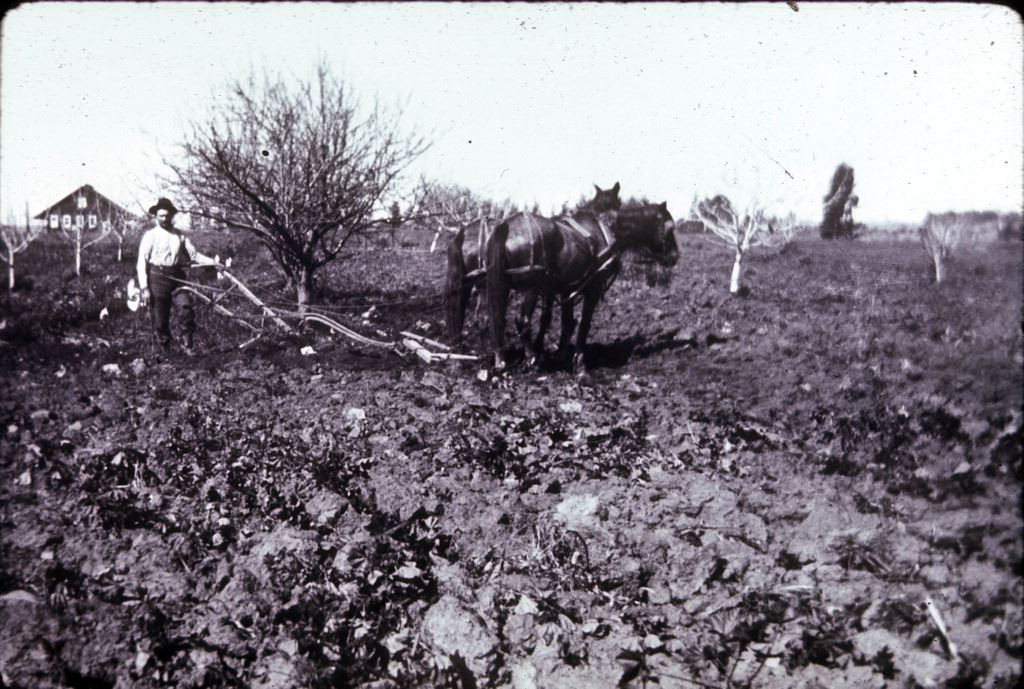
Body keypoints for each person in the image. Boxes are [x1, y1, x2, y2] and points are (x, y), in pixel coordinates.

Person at [136, 198, 216, 352]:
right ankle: (165, 351)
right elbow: (141, 263)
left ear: (171, 215)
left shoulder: (179, 236)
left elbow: (194, 255)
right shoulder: (150, 236)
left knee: (186, 310)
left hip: (177, 277)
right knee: (160, 319)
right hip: (157, 278)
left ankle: (188, 347)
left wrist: (213, 263)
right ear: (156, 216)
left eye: (167, 215)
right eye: (161, 216)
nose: (164, 219)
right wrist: (144, 288)